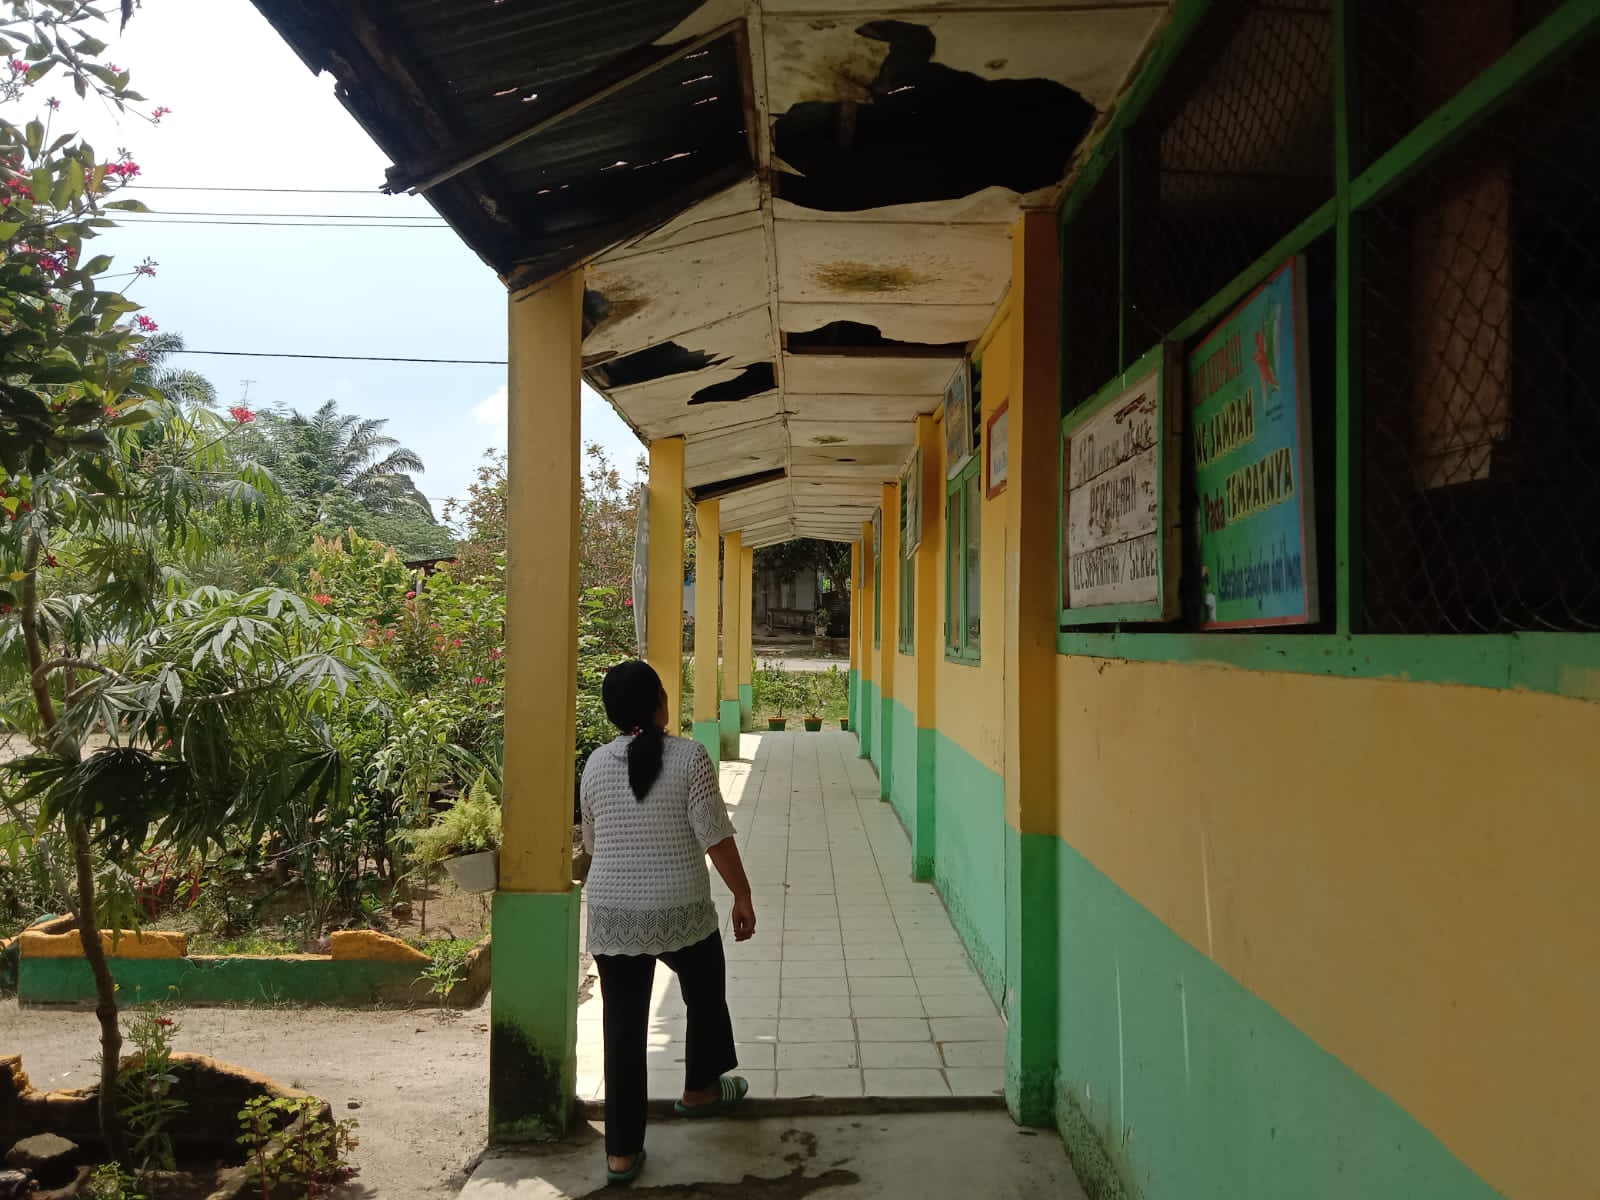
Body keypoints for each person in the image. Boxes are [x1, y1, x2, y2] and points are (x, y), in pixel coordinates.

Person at [580, 659, 757, 1186]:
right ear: (657, 703)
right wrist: (742, 894)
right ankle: (700, 1089)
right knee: (705, 990)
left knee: (623, 1030)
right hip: (679, 907)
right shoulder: (690, 758)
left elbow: (590, 842)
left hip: (612, 913)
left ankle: (620, 1154)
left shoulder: (594, 764)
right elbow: (715, 836)